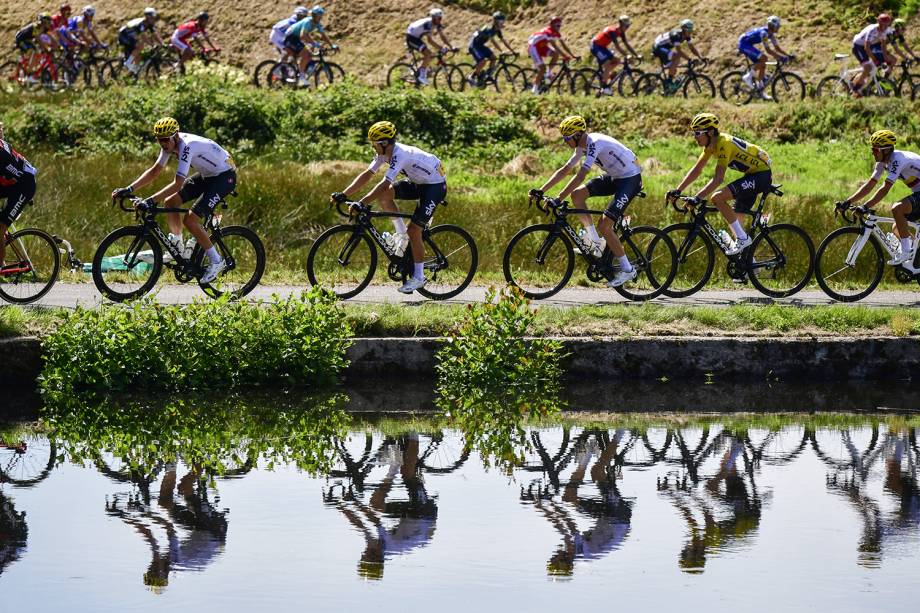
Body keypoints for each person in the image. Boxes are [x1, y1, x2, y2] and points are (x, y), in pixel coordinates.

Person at [111, 118, 237, 284]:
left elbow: (178, 183)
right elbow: (155, 170)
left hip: (224, 176)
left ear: (175, 136)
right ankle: (177, 246)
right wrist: (129, 189)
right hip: (208, 175)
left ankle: (216, 261)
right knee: (170, 202)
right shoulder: (169, 144)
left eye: (165, 140)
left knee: (191, 220)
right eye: (159, 140)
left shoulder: (187, 146)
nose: (162, 143)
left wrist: (150, 200)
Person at [331, 121, 447, 294]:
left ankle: (419, 277)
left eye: (374, 144)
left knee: (414, 230)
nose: (373, 147)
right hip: (418, 182)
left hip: (434, 186)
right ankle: (401, 235)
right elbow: (367, 174)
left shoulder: (401, 154)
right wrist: (344, 194)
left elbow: (384, 183)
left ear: (384, 144)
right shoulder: (384, 153)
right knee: (385, 197)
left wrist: (362, 203)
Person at [529, 116, 644, 288]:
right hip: (615, 177)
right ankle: (595, 242)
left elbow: (581, 175)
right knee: (577, 195)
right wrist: (541, 190)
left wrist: (559, 198)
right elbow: (566, 170)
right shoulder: (581, 146)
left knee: (605, 225)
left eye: (567, 138)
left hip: (630, 179)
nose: (565, 141)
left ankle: (627, 269)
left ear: (576, 135)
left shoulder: (594, 143)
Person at [668, 113, 772, 256]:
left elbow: (718, 179)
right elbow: (697, 169)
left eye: (698, 133)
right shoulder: (711, 146)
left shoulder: (724, 144)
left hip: (761, 175)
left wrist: (697, 198)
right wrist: (678, 190)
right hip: (751, 176)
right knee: (736, 223)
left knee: (717, 198)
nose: (695, 136)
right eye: (694, 133)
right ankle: (747, 265)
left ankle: (743, 239)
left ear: (710, 132)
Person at [838, 130, 920, 266]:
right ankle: (915, 257)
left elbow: (885, 188)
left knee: (897, 209)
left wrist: (865, 206)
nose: (873, 153)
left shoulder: (898, 160)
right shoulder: (883, 162)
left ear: (886, 150)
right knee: (897, 228)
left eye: (875, 150)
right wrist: (847, 202)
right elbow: (870, 185)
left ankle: (906, 251)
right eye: (872, 149)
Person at [0, 123, 38, 271]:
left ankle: (1, 265)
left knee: (1, 226)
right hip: (11, 183)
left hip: (24, 186)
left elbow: (17, 177)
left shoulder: (1, 154)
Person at [737, 15, 792, 100]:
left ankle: (760, 91)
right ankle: (748, 77)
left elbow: (777, 48)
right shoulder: (764, 33)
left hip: (748, 44)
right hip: (743, 44)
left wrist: (788, 55)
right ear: (773, 26)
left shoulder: (771, 35)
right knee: (764, 58)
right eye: (778, 26)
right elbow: (768, 50)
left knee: (763, 65)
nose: (779, 28)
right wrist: (780, 58)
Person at [283, 5, 337, 87]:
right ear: (314, 15)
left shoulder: (317, 23)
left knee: (309, 51)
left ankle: (296, 71)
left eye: (321, 16)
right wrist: (315, 43)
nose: (320, 18)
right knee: (306, 54)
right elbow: (302, 36)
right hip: (291, 37)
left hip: (296, 38)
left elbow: (323, 35)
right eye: (319, 16)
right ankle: (301, 77)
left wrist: (332, 45)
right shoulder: (308, 21)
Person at [590, 15, 641, 95]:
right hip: (595, 46)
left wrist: (636, 55)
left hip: (602, 47)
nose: (627, 28)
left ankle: (605, 76)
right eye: (626, 26)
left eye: (628, 26)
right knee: (607, 64)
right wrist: (627, 55)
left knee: (617, 60)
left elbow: (626, 44)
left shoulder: (621, 32)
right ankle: (604, 87)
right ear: (621, 24)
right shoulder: (613, 31)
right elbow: (617, 46)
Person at [527, 16, 578, 94]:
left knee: (556, 54)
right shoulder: (548, 32)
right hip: (534, 47)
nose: (559, 27)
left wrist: (572, 55)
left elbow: (563, 45)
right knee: (542, 68)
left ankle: (548, 73)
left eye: (560, 26)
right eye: (557, 26)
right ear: (552, 25)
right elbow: (555, 46)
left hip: (542, 46)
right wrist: (564, 56)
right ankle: (534, 89)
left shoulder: (556, 32)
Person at [405, 8, 455, 86]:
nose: (440, 20)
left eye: (441, 18)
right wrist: (441, 48)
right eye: (439, 18)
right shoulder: (428, 24)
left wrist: (451, 47)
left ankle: (418, 69)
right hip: (411, 37)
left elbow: (442, 36)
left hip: (416, 37)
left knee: (430, 55)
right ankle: (421, 75)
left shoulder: (436, 24)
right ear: (434, 18)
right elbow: (430, 41)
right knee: (428, 54)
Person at [652, 20, 703, 93]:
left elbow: (692, 48)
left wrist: (700, 57)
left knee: (674, 69)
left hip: (665, 48)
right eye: (689, 31)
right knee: (677, 56)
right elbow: (679, 51)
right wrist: (689, 59)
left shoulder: (686, 36)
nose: (690, 33)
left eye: (691, 31)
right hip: (658, 47)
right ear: (684, 30)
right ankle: (669, 82)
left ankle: (667, 89)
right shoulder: (676, 35)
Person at [467, 11, 515, 86]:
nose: (503, 23)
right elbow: (493, 42)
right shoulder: (489, 28)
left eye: (503, 21)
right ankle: (472, 77)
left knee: (493, 58)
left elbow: (503, 41)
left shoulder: (497, 30)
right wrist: (502, 51)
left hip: (480, 45)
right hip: (474, 45)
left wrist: (513, 51)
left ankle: (487, 76)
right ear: (496, 21)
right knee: (483, 62)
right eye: (501, 21)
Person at [851, 13, 894, 95]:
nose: (884, 27)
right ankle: (855, 89)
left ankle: (860, 81)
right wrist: (874, 59)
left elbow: (883, 45)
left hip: (868, 45)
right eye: (883, 24)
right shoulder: (872, 30)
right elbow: (866, 48)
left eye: (887, 25)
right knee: (868, 67)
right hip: (858, 45)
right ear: (879, 23)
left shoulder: (885, 30)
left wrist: (886, 58)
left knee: (873, 67)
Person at [118, 8, 164, 75]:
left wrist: (162, 43)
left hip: (130, 36)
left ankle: (133, 72)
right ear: (147, 18)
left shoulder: (149, 24)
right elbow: (144, 37)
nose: (154, 19)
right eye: (152, 18)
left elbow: (155, 35)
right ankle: (128, 63)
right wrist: (152, 45)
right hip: (124, 35)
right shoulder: (141, 24)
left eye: (154, 18)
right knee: (140, 45)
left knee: (139, 55)